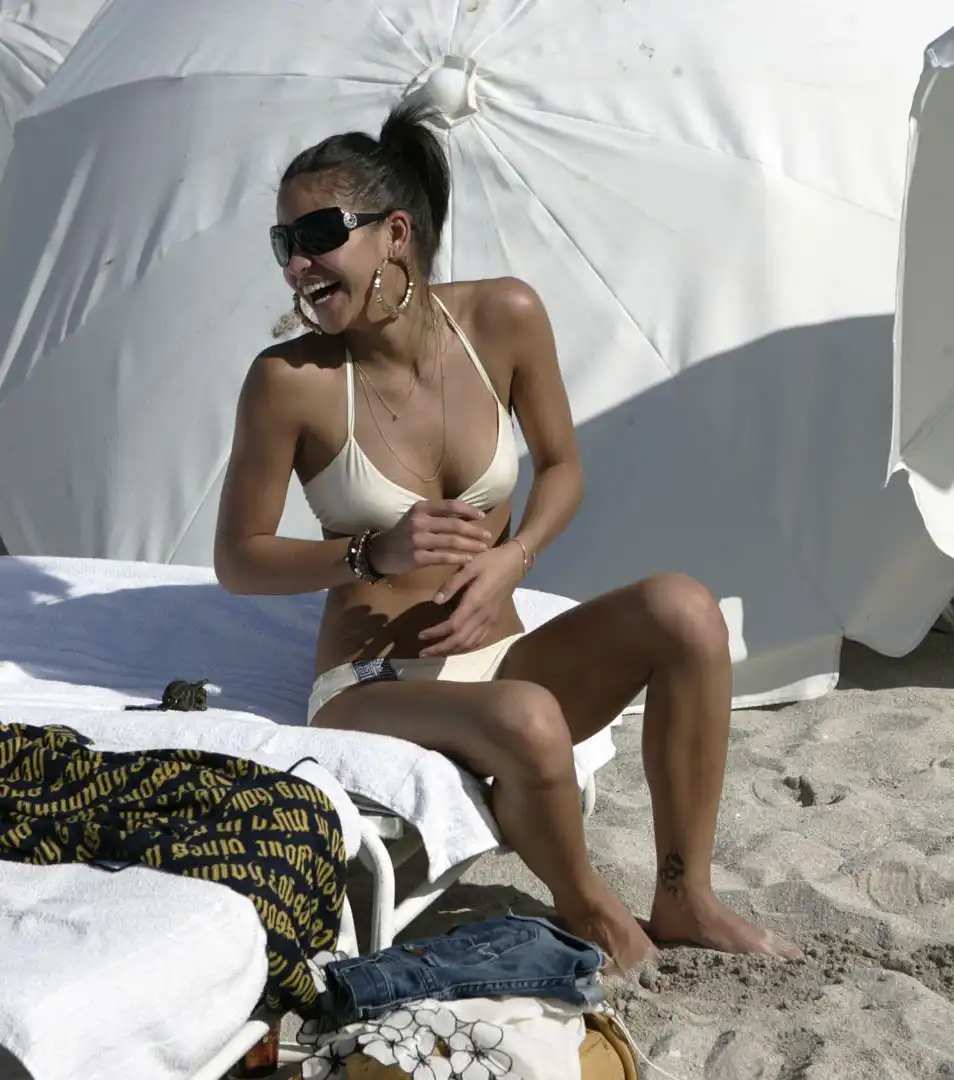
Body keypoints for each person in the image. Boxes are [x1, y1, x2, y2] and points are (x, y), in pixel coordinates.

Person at [214, 102, 800, 972]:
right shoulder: (289, 382)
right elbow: (239, 558)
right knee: (527, 717)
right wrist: (373, 552)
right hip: (374, 680)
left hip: (503, 650)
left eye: (318, 234)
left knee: (685, 608)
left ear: (394, 233)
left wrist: (512, 560)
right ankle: (590, 908)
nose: (298, 263)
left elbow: (562, 467)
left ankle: (687, 895)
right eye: (283, 243)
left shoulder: (503, 317)